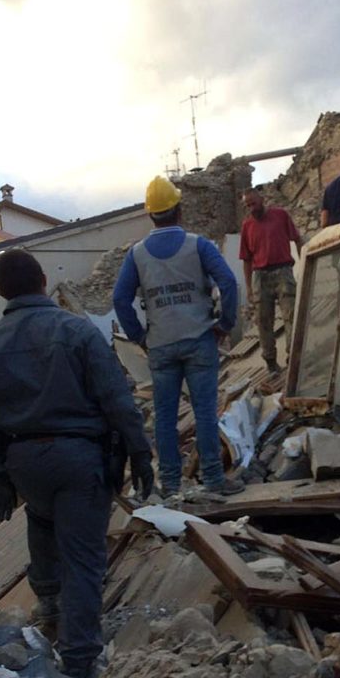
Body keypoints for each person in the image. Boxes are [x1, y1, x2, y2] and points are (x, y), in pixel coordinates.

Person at [0, 247, 153, 678]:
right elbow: (117, 400)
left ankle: (48, 603)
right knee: (84, 561)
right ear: (43, 281)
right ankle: (78, 664)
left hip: (24, 463)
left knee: (41, 516)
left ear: (0, 291)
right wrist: (140, 454)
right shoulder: (77, 332)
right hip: (78, 458)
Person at [113, 175, 243, 498]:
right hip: (200, 340)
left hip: (161, 346)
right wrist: (224, 325)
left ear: (150, 214)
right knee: (204, 412)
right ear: (178, 208)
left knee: (165, 417)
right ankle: (213, 479)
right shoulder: (197, 245)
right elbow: (228, 282)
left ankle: (171, 484)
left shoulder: (137, 254)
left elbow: (120, 299)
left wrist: (139, 336)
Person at [239, 189, 303, 375]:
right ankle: (271, 362)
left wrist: (305, 263)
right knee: (264, 321)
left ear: (262, 200)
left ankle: (293, 358)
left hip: (283, 270)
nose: (251, 208)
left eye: (253, 203)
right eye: (248, 205)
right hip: (260, 275)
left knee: (291, 315)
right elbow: (246, 259)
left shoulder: (280, 215)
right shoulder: (247, 226)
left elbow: (297, 239)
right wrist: (249, 287)